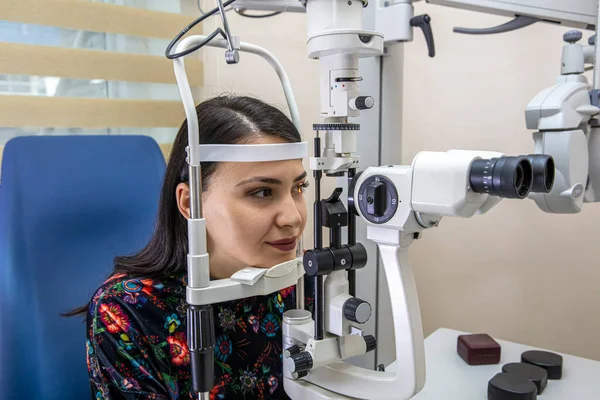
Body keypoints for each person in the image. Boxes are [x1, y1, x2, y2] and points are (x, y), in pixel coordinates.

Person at [69, 95, 310, 399]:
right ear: (189, 202)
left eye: (298, 188)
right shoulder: (128, 311)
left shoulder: (300, 284)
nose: (293, 217)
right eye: (262, 192)